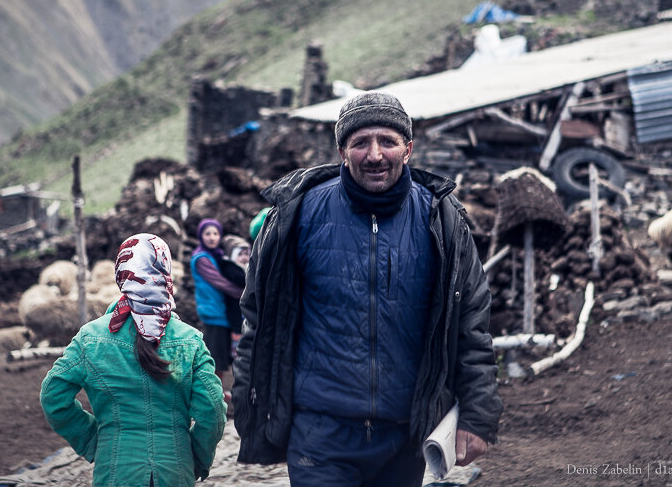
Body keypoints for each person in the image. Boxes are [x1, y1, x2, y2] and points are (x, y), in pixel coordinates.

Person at [232, 91, 502, 486]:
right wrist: (248, 402)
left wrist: (478, 415)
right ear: (342, 150)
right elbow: (259, 316)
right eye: (360, 142)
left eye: (387, 142)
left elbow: (470, 325)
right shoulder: (298, 215)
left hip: (404, 434)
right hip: (320, 433)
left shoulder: (440, 221)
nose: (374, 154)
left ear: (408, 149)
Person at [40, 233, 226, 487]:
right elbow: (212, 411)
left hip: (115, 471)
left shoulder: (91, 338)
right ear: (165, 271)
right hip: (175, 472)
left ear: (121, 274)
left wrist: (94, 441)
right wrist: (197, 458)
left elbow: (53, 395)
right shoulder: (190, 340)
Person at [190, 218, 242, 394]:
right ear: (201, 236)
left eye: (215, 233)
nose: (212, 237)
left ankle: (218, 392)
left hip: (221, 311)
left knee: (222, 354)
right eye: (207, 234)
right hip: (213, 312)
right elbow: (219, 282)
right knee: (216, 357)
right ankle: (212, 394)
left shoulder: (216, 255)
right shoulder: (201, 258)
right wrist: (243, 293)